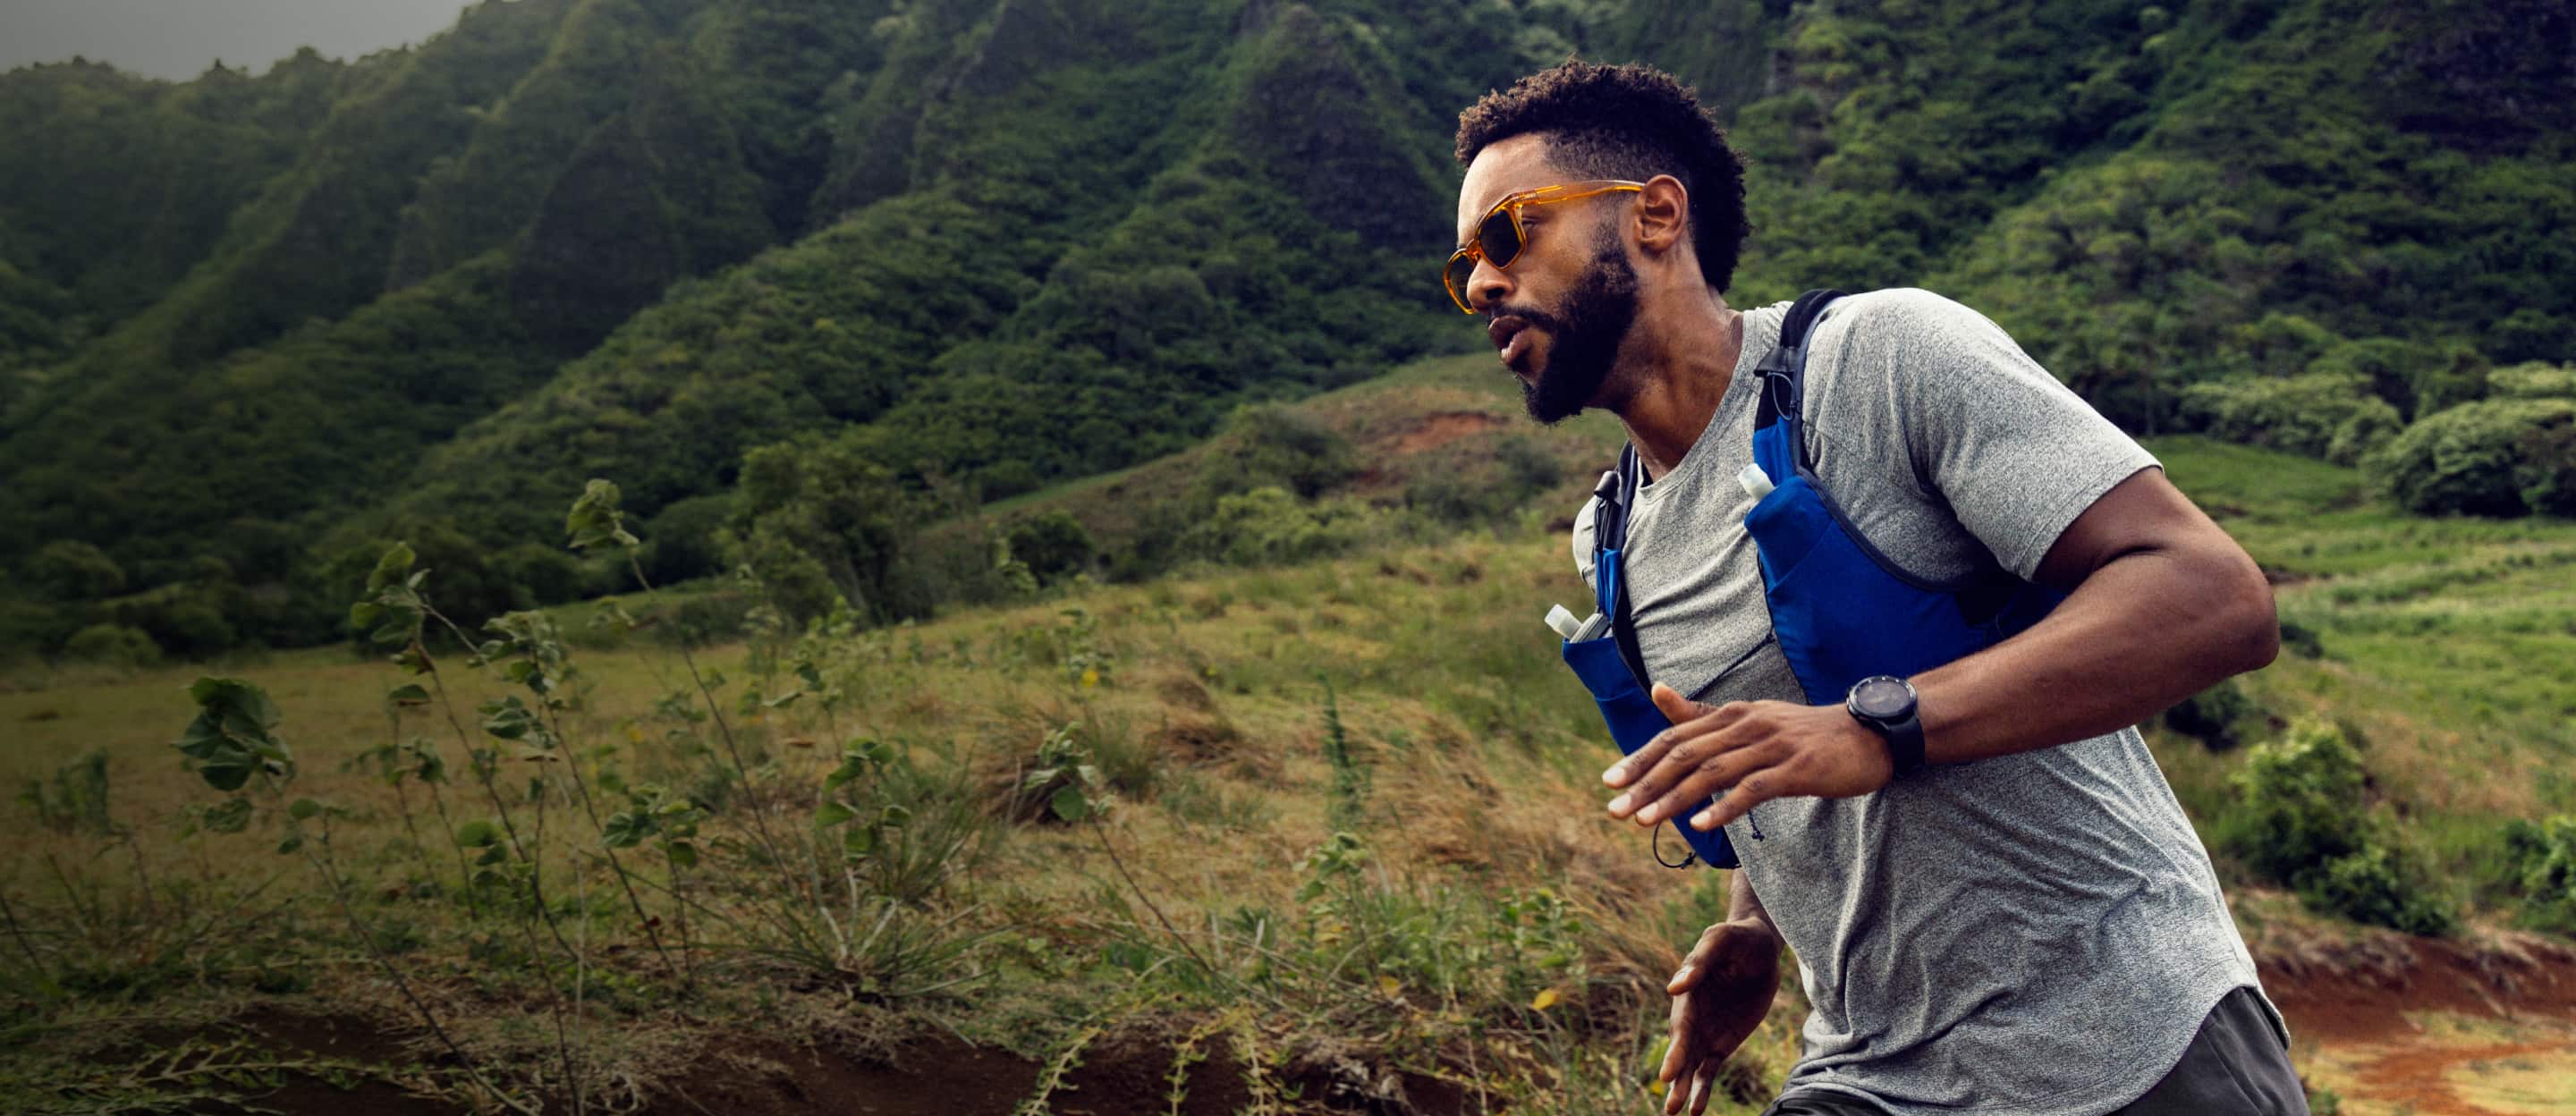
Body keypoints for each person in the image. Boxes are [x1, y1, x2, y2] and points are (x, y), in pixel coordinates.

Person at [1446, 61, 2306, 1116]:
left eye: (1507, 234)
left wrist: (1879, 727)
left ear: (1657, 215)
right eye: (1464, 267)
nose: (1482, 283)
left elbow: (2216, 598)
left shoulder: (1877, 361)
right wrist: (1755, 926)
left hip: (2125, 1033)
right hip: (1874, 1067)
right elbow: (1778, 743)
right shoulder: (1611, 534)